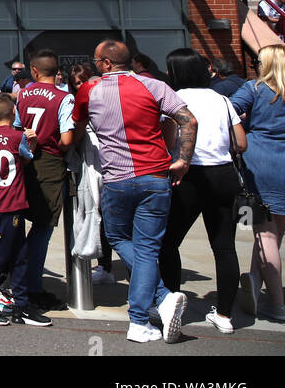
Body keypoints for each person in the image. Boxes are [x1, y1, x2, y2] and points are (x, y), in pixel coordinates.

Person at [75, 39, 195, 344]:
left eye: (96, 60)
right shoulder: (153, 86)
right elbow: (187, 120)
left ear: (105, 63)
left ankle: (141, 318)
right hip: (155, 176)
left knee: (117, 238)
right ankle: (161, 299)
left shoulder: (90, 89)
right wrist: (182, 160)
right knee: (147, 249)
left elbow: (77, 126)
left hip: (117, 178)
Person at [158, 48, 247, 334]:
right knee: (224, 246)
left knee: (169, 242)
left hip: (188, 174)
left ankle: (171, 305)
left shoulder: (175, 99)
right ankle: (224, 314)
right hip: (223, 174)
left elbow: (169, 139)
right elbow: (241, 143)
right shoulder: (222, 99)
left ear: (176, 73)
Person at [230, 44, 285, 323]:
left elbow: (228, 112)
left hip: (259, 165)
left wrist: (244, 129)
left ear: (266, 63)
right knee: (274, 235)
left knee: (264, 235)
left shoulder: (254, 89)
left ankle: (277, 304)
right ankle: (255, 284)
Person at [0, 93, 51, 326]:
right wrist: (33, 142)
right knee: (1, 254)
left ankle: (21, 304)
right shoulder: (17, 137)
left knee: (20, 255)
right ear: (13, 113)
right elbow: (26, 158)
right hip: (11, 200)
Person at [16, 49, 75, 312]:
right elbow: (66, 140)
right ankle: (31, 285)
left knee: (19, 220)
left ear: (35, 70)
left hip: (24, 158)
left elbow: (16, 127)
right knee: (43, 226)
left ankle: (19, 277)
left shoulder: (24, 94)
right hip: (50, 161)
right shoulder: (64, 97)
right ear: (56, 71)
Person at [69, 63, 116, 285]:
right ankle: (102, 263)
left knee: (109, 215)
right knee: (92, 211)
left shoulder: (109, 101)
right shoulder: (75, 105)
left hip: (111, 164)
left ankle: (108, 263)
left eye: (84, 81)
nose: (81, 86)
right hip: (88, 163)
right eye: (77, 83)